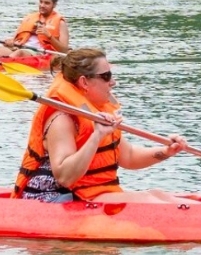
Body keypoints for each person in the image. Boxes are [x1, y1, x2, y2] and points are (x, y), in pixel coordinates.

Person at [14, 48, 188, 204]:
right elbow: (65, 177)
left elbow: (128, 156)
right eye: (106, 76)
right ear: (84, 82)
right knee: (147, 200)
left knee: (158, 194)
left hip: (91, 194)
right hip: (54, 198)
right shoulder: (62, 119)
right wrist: (96, 136)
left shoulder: (97, 113)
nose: (112, 82)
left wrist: (166, 152)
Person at [0, 0, 70, 55]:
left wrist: (49, 36)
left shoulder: (61, 23)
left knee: (19, 53)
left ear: (54, 5)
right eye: (41, 2)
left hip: (41, 54)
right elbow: (15, 40)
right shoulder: (29, 18)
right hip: (19, 49)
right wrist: (10, 42)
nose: (42, 5)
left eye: (47, 3)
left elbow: (64, 51)